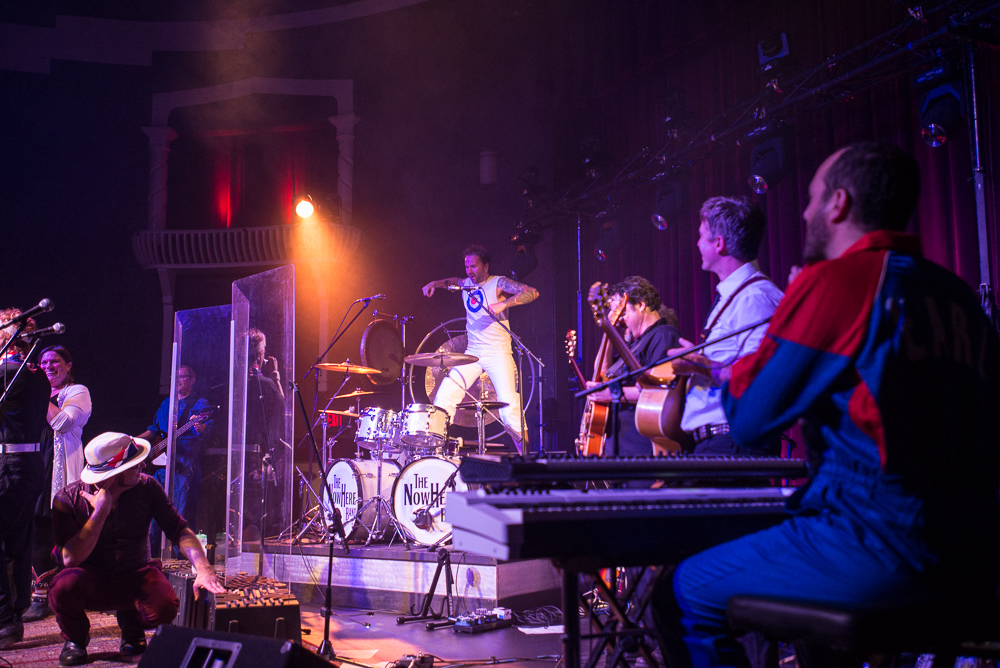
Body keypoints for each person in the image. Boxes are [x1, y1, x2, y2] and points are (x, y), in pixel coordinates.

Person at [652, 142, 1000, 668]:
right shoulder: (959, 296)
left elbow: (749, 423)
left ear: (838, 204)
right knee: (807, 623)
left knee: (680, 594)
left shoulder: (839, 281)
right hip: (974, 556)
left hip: (876, 539)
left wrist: (783, 324)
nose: (805, 212)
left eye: (813, 199)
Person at [49, 431, 224, 665]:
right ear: (114, 475)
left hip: (135, 574)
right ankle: (76, 639)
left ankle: (132, 625)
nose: (141, 465)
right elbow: (70, 558)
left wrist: (202, 568)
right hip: (92, 580)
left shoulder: (148, 487)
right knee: (62, 588)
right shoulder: (67, 498)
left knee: (165, 606)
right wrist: (100, 513)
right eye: (134, 464)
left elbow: (179, 530)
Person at [669, 197, 784, 456]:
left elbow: (766, 374)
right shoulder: (736, 296)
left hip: (730, 446)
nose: (697, 243)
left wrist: (706, 366)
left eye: (701, 236)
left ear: (718, 244)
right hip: (717, 445)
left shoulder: (754, 298)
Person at [422, 244, 540, 452]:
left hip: (499, 354)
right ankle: (434, 452)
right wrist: (435, 283)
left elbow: (532, 292)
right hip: (473, 354)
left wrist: (504, 304)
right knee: (446, 393)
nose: (470, 271)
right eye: (467, 267)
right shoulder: (466, 284)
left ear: (486, 266)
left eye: (474, 267)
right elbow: (452, 282)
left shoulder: (498, 283)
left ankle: (526, 457)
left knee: (509, 408)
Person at [22, 346, 92, 623]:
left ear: (68, 365)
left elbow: (63, 422)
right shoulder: (34, 393)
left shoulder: (77, 392)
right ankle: (27, 593)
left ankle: (46, 595)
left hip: (57, 466)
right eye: (44, 362)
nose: (49, 366)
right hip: (32, 460)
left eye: (55, 362)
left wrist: (38, 392)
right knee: (28, 525)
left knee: (48, 524)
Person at [0, 309, 51, 648]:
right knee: (18, 539)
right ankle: (15, 614)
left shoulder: (7, 372)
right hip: (31, 463)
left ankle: (4, 619)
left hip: (9, 463)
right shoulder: (35, 375)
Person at [585, 276, 681, 457]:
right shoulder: (631, 346)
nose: (619, 320)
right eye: (615, 315)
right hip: (618, 444)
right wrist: (608, 328)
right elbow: (603, 374)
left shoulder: (663, 334)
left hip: (640, 444)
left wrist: (611, 394)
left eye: (622, 313)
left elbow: (662, 390)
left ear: (641, 305)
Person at [137, 364, 212, 556]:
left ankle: (183, 564)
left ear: (192, 380)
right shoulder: (167, 403)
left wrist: (200, 428)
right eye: (175, 377)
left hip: (185, 467)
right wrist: (134, 441)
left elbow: (205, 431)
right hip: (162, 467)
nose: (178, 380)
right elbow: (154, 429)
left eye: (182, 377)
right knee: (154, 518)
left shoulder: (200, 404)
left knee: (181, 516)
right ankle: (151, 560)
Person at [246, 327, 286, 542]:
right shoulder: (267, 384)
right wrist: (276, 377)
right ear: (261, 355)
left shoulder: (236, 383)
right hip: (259, 457)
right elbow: (282, 408)